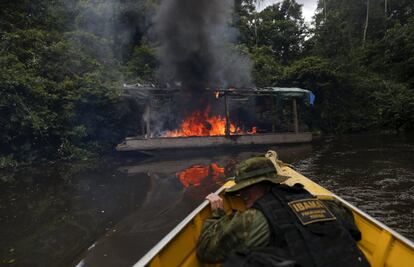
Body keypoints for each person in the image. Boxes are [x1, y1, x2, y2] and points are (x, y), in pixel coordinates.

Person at [196, 151, 370, 267]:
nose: (242, 195)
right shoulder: (322, 204)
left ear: (265, 184)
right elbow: (347, 216)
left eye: (247, 189)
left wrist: (218, 213)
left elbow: (206, 250)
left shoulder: (255, 218)